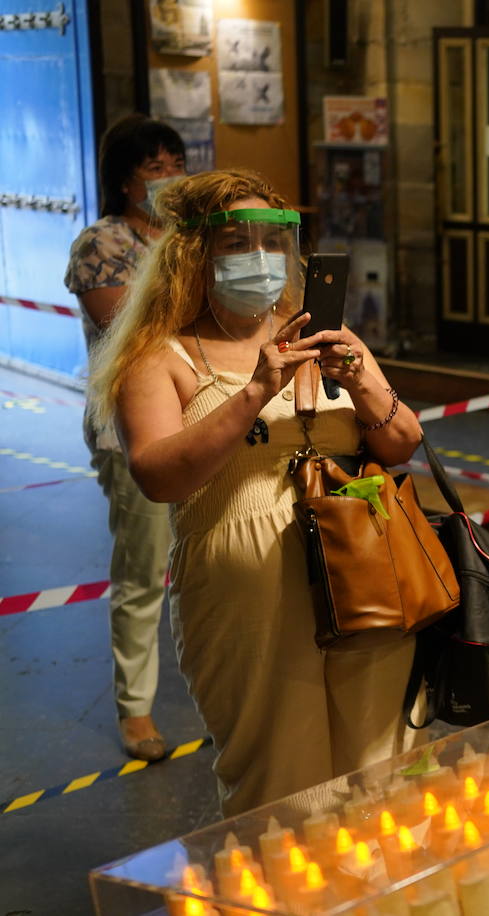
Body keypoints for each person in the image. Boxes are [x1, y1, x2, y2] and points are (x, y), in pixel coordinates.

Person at [87, 169, 423, 815]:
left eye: (273, 246)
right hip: (248, 595)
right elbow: (159, 476)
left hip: (366, 569)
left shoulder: (324, 339)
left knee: (383, 763)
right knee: (280, 780)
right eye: (239, 245)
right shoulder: (160, 358)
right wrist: (253, 393)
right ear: (195, 257)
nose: (261, 262)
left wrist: (360, 383)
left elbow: (401, 442)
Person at [64, 114, 187, 761]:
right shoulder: (99, 245)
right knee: (143, 574)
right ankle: (135, 711)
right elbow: (129, 331)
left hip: (204, 420)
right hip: (131, 430)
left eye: (175, 164)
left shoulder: (195, 237)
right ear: (123, 178)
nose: (168, 177)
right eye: (153, 167)